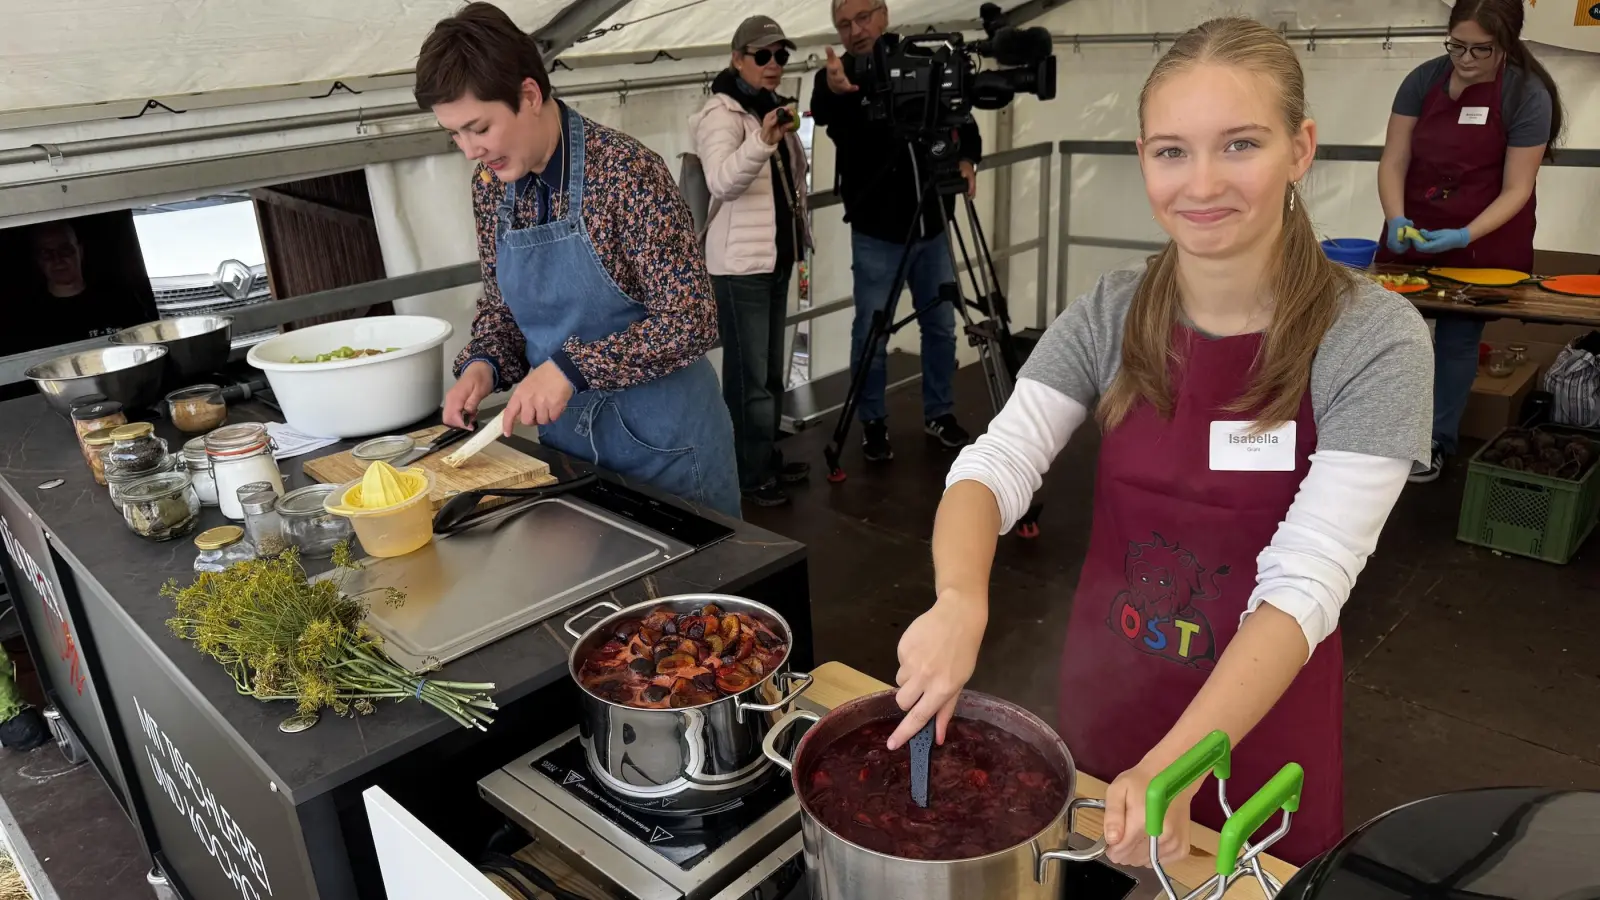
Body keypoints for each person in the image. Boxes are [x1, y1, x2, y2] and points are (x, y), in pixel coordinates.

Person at [888, 18, 1434, 867]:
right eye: (1171, 151)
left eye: (1240, 144)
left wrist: (1183, 760)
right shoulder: (1112, 309)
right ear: (1142, 157)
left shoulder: (1373, 339)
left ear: (1301, 148)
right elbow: (996, 465)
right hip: (1103, 704)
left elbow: (1308, 579)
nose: (1202, 183)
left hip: (1252, 727)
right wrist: (960, 598)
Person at [416, 2, 740, 519]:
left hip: (668, 449)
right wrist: (483, 364)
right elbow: (502, 307)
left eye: (478, 128)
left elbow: (692, 321)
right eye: (453, 134)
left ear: (529, 93)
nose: (469, 150)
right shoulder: (491, 190)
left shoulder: (627, 175)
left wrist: (570, 369)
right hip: (567, 451)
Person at [1377, 0, 1563, 483]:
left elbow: (1517, 188)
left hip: (1484, 238)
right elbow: (1394, 159)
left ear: (1507, 44)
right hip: (1415, 223)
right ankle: (1385, 434)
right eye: (1456, 45)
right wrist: (1396, 216)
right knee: (1395, 333)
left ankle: (1435, 442)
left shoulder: (1527, 94)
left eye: (1481, 50)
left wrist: (1464, 235)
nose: (1465, 59)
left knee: (1459, 339)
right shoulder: (1423, 80)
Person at [810, 0, 981, 463]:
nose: (856, 30)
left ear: (884, 14)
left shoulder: (921, 58)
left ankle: (939, 413)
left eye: (863, 18)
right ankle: (872, 423)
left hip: (933, 224)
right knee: (871, 332)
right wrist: (838, 89)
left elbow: (961, 117)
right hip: (876, 231)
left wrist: (968, 158)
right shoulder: (836, 75)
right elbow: (822, 109)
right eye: (844, 24)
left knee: (941, 326)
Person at [689, 16, 812, 508]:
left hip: (772, 259)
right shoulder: (721, 115)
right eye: (762, 55)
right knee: (749, 379)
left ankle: (764, 458)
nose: (773, 64)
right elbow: (722, 181)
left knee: (770, 374)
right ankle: (748, 474)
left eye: (780, 55)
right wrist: (761, 141)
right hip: (740, 269)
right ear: (737, 58)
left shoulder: (769, 108)